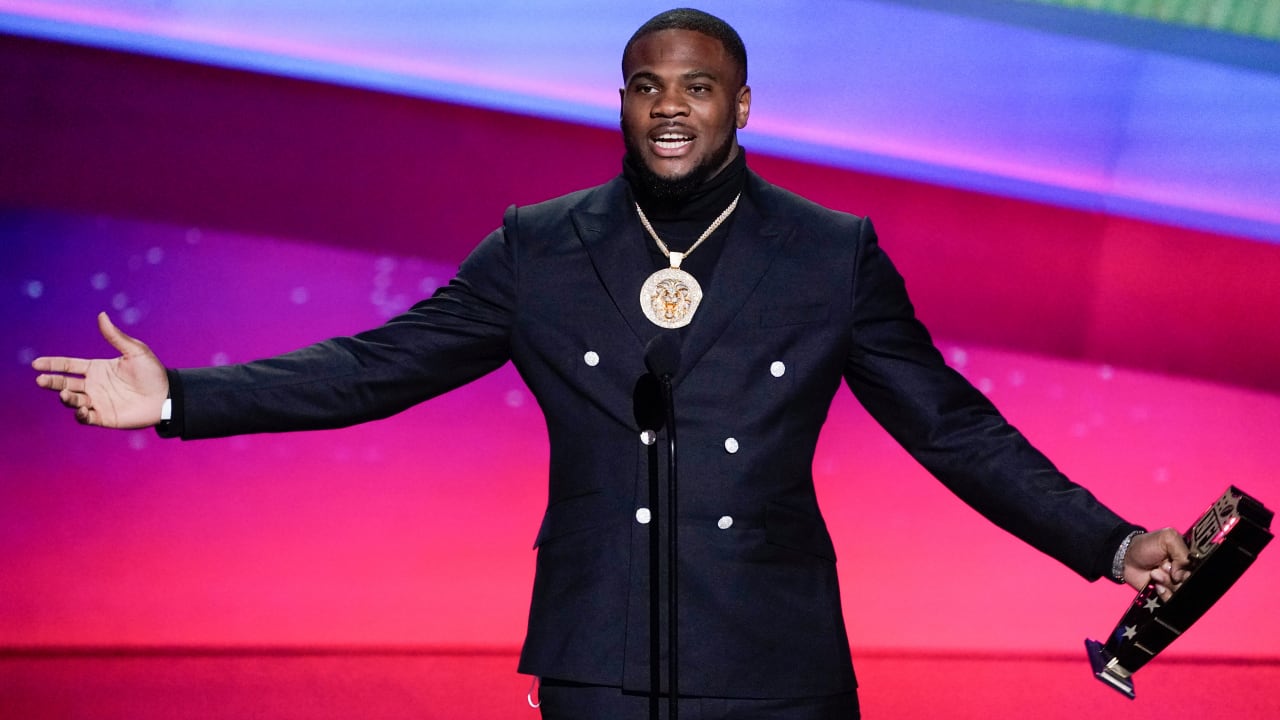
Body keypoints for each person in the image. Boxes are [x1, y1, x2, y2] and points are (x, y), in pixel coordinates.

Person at [33, 8, 1191, 719]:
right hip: (600, 649)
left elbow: (952, 427)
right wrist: (182, 395)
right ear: (622, 102)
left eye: (696, 86)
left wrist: (1109, 543)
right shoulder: (541, 245)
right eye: (647, 86)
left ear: (742, 104)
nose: (669, 108)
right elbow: (376, 367)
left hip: (771, 653)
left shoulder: (828, 254)